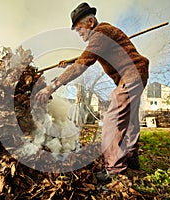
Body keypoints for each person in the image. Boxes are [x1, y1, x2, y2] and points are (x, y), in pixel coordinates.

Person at [35, 2, 149, 181]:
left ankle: (114, 169)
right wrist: (71, 62)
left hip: (131, 75)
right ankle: (131, 158)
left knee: (113, 118)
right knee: (130, 118)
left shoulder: (100, 34)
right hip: (137, 73)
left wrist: (52, 86)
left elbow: (83, 64)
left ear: (89, 22)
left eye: (80, 29)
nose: (80, 34)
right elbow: (86, 57)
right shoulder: (103, 35)